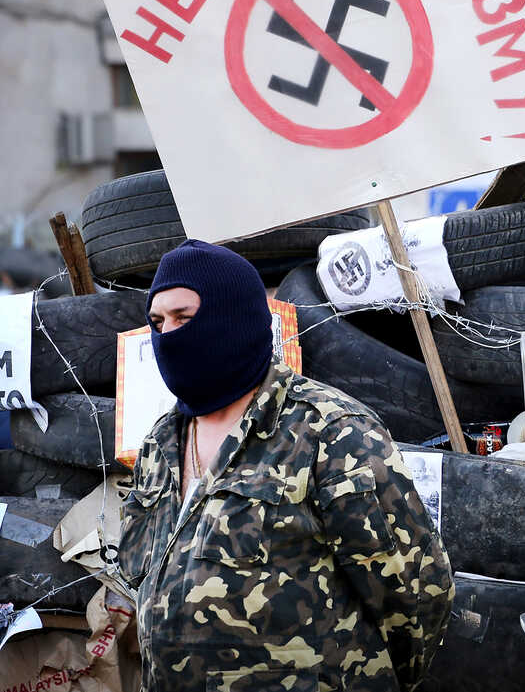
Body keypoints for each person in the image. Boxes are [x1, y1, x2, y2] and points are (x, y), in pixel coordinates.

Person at [118, 240, 454, 692]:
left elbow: (416, 596)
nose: (167, 336)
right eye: (158, 322)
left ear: (232, 319)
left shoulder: (331, 431)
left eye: (184, 318)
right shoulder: (161, 442)